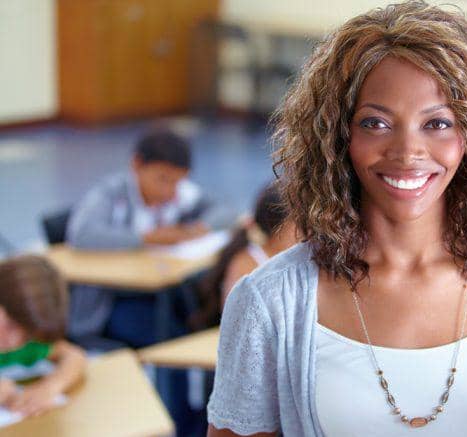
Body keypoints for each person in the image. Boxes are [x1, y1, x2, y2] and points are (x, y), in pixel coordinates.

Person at [207, 2, 467, 436]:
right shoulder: (268, 303)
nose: (407, 152)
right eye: (376, 123)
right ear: (336, 136)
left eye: (437, 123)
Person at [65, 129, 236, 346]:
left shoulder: (180, 194)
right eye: (162, 179)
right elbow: (82, 234)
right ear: (136, 165)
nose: (169, 191)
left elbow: (227, 211)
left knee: (199, 320)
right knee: (169, 336)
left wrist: (198, 228)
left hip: (160, 293)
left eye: (177, 181)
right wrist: (148, 238)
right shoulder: (111, 194)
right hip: (111, 302)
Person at [188, 183, 298, 330]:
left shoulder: (295, 257)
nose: (310, 231)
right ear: (276, 227)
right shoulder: (246, 265)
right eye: (300, 225)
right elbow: (238, 323)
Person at [0, 256, 86, 418]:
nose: (14, 342)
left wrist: (51, 386)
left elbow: (74, 356)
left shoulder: (27, 344)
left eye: (27, 335)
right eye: (10, 324)